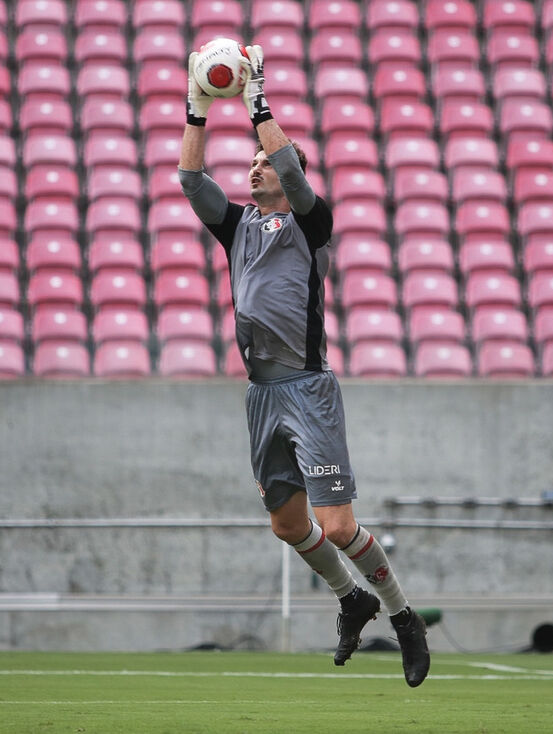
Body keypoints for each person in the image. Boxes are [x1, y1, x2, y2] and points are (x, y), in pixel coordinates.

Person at [178, 45, 430, 687]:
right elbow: (189, 180)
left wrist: (256, 100)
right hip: (261, 393)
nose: (256, 168)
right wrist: (198, 109)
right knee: (288, 524)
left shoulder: (312, 225)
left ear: (292, 179)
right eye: (253, 162)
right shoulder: (237, 226)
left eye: (266, 163)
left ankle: (403, 616)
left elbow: (290, 166)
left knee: (338, 522)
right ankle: (353, 598)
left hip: (308, 390)